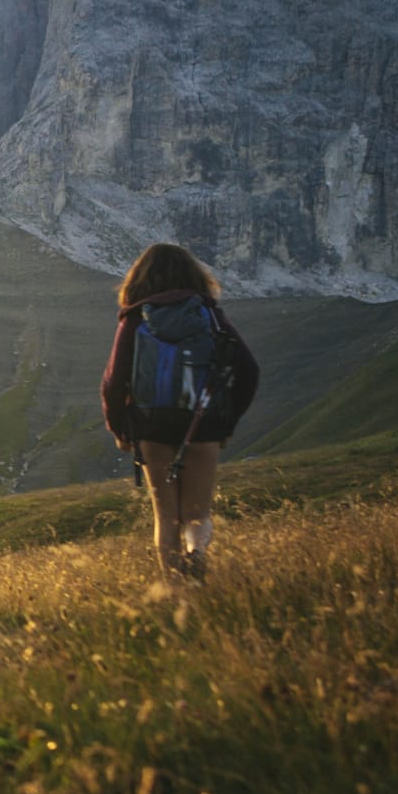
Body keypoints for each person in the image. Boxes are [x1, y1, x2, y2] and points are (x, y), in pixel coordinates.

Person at [100, 243, 258, 582]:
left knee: (166, 516)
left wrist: (120, 431)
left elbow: (113, 381)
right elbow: (248, 368)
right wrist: (226, 419)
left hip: (152, 425)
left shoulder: (135, 316)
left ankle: (175, 592)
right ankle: (196, 554)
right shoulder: (208, 314)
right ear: (193, 275)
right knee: (197, 512)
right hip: (203, 422)